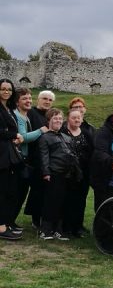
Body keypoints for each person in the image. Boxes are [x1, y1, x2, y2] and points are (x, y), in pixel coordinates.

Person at [38, 108, 81, 240]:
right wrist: (46, 172)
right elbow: (44, 156)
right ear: (49, 120)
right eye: (55, 118)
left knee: (63, 202)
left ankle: (58, 230)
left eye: (60, 118)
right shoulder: (45, 137)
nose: (58, 120)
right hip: (53, 173)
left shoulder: (67, 137)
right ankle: (45, 230)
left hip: (67, 175)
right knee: (51, 202)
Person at [12, 88, 48, 229]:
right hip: (17, 159)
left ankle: (10, 222)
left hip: (23, 159)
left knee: (20, 194)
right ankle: (7, 223)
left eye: (29, 98)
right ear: (17, 102)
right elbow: (22, 138)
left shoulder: (25, 116)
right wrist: (41, 130)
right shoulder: (18, 116)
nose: (28, 101)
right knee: (15, 193)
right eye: (24, 98)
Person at [61, 108, 94, 237]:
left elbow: (92, 152)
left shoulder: (86, 133)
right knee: (67, 199)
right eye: (74, 117)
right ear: (68, 118)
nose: (76, 119)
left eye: (79, 117)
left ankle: (78, 227)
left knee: (80, 200)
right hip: (68, 173)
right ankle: (66, 227)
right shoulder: (63, 132)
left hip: (83, 173)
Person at [25, 90, 55, 229]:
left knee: (44, 191)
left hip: (47, 159)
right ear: (38, 99)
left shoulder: (51, 116)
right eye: (44, 98)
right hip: (32, 158)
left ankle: (42, 217)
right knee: (36, 191)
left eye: (50, 100)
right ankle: (35, 219)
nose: (47, 101)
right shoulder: (31, 113)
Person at [0, 79, 24, 240]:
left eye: (9, 89)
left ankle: (6, 223)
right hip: (1, 156)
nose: (6, 91)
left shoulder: (9, 108)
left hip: (8, 154)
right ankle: (1, 228)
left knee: (9, 190)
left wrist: (14, 137)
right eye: (2, 89)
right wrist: (14, 135)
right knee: (2, 191)